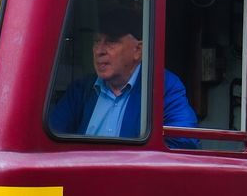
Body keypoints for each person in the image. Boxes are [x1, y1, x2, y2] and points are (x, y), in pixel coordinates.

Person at [48, 8, 198, 139]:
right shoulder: (81, 90)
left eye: (111, 42)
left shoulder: (163, 86)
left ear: (138, 50)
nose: (99, 51)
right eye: (96, 41)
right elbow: (51, 140)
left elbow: (183, 142)